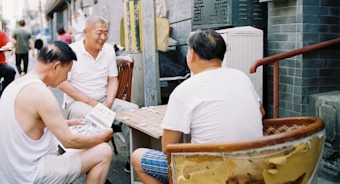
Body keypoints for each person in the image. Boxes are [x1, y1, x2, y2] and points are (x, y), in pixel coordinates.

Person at [131, 29, 265, 184]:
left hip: (209, 175)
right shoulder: (241, 77)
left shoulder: (184, 90)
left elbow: (168, 149)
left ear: (192, 54)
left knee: (137, 157)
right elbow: (261, 112)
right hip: (252, 169)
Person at [0, 41, 113, 183]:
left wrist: (68, 123)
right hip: (30, 175)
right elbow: (69, 141)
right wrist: (102, 136)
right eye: (66, 72)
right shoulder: (41, 94)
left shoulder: (14, 86)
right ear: (56, 67)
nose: (65, 79)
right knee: (103, 151)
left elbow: (28, 126)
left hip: (10, 173)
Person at [59, 15, 139, 173]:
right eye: (99, 32)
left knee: (134, 110)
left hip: (103, 100)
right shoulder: (71, 51)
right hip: (78, 103)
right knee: (95, 117)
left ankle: (134, 161)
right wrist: (91, 103)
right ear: (85, 32)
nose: (103, 37)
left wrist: (108, 103)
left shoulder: (108, 50)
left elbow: (113, 79)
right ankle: (95, 168)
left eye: (106, 32)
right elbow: (63, 83)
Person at [0, 30, 16, 97]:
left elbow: (8, 43)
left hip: (0, 64)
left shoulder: (1, 33)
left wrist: (6, 47)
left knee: (10, 71)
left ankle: (5, 94)